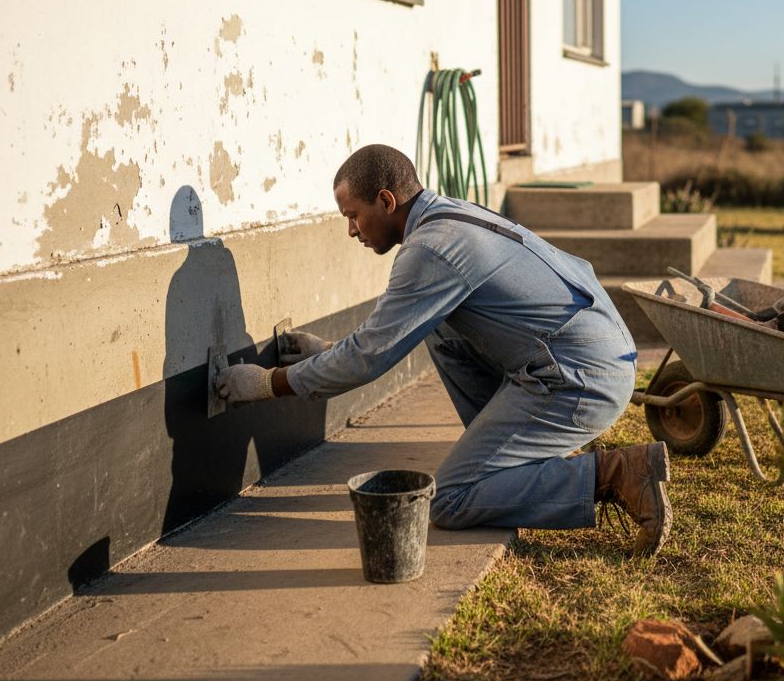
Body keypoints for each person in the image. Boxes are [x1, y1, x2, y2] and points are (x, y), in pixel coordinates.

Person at [216, 144, 672, 555]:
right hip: (590, 353)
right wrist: (330, 352)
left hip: (578, 376)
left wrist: (264, 384)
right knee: (441, 330)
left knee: (450, 499)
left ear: (387, 201)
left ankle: (616, 473)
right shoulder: (449, 216)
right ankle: (518, 459)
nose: (351, 231)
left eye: (352, 216)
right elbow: (391, 335)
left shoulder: (431, 249)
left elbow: (370, 356)